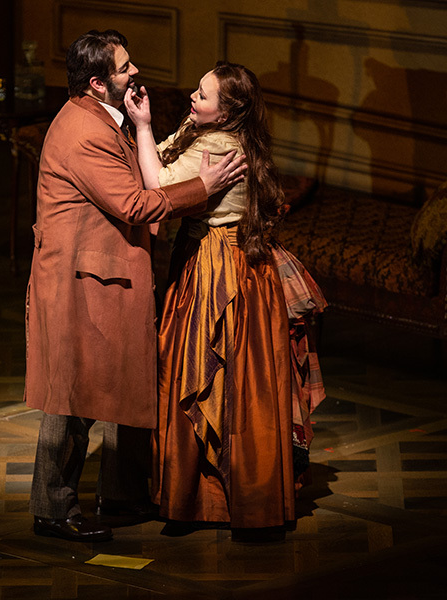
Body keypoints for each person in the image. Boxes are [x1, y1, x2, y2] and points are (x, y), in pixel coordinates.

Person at [24, 32, 247, 543]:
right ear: (97, 82)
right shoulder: (85, 131)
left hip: (103, 273)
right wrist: (205, 187)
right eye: (124, 68)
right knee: (73, 393)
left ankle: (121, 493)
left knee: (122, 381)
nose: (135, 72)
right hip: (78, 282)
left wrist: (145, 127)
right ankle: (52, 508)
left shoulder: (105, 116)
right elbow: (135, 204)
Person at [124, 61, 326, 542]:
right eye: (196, 90)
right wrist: (165, 131)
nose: (193, 98)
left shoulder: (217, 146)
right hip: (242, 268)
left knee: (203, 372)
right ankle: (232, 497)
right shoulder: (221, 134)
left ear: (229, 110)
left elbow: (159, 187)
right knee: (245, 380)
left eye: (203, 95)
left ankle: (205, 497)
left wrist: (144, 127)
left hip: (217, 271)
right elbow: (164, 161)